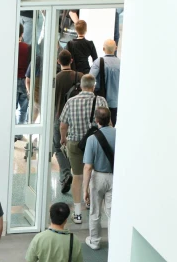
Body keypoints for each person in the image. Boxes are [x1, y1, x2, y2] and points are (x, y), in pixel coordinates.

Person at [59, 74, 108, 224]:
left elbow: (63, 125)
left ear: (80, 86)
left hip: (75, 143)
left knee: (78, 177)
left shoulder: (71, 101)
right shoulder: (100, 100)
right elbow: (108, 123)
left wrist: (63, 139)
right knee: (93, 175)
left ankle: (78, 214)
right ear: (94, 86)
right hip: (96, 143)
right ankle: (91, 205)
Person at [83, 107, 116, 251]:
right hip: (115, 177)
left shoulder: (92, 139)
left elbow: (88, 167)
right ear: (109, 119)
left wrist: (85, 189)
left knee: (95, 211)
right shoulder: (119, 135)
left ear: (96, 120)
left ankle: (95, 241)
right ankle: (114, 242)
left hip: (98, 177)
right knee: (112, 212)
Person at [53, 50, 79, 193]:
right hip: (75, 117)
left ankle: (65, 174)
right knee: (74, 145)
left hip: (59, 117)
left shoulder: (55, 78)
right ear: (72, 60)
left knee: (58, 147)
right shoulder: (79, 76)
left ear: (58, 61)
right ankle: (76, 174)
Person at [89, 39, 121, 125]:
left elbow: (90, 79)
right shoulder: (121, 63)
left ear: (103, 49)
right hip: (115, 102)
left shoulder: (99, 62)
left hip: (101, 101)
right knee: (111, 126)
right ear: (116, 48)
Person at [15, 24, 30, 130]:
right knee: (23, 109)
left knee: (11, 109)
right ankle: (19, 132)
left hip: (13, 81)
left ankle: (11, 132)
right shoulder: (28, 48)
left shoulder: (11, 47)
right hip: (25, 81)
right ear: (22, 33)